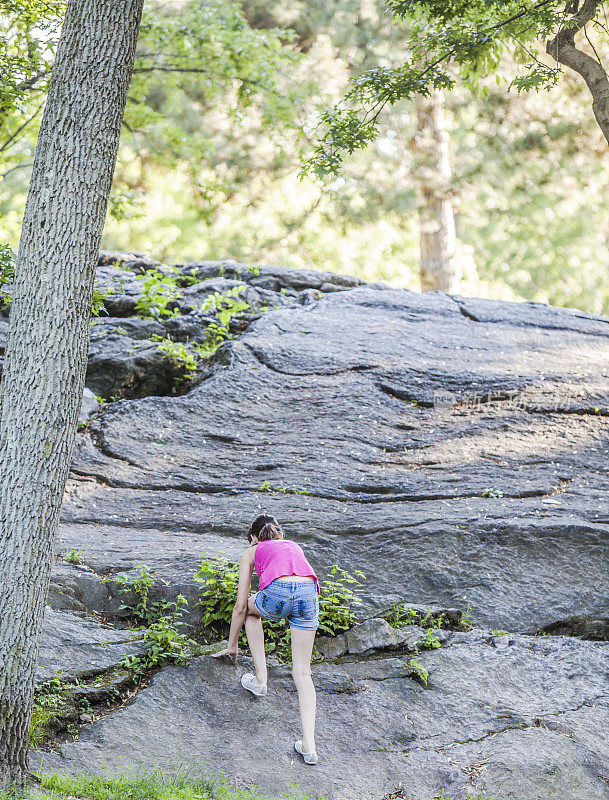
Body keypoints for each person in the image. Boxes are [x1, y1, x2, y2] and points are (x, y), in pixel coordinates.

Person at [212, 514, 320, 765]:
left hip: (278, 592)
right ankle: (310, 746)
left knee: (250, 611)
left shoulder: (252, 551)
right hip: (307, 593)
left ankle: (261, 679)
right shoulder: (293, 545)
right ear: (280, 535)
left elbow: (240, 607)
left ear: (253, 538)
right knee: (303, 673)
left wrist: (232, 645)